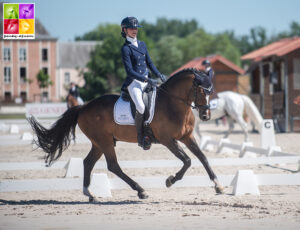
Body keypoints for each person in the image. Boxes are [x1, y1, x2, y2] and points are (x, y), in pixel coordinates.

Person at [120, 16, 166, 149]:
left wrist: (159, 74)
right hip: (134, 82)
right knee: (140, 107)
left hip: (147, 79)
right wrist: (146, 79)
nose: (134, 30)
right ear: (125, 30)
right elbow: (129, 71)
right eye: (131, 28)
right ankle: (141, 136)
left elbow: (149, 63)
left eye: (136, 28)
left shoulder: (142, 44)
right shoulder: (126, 49)